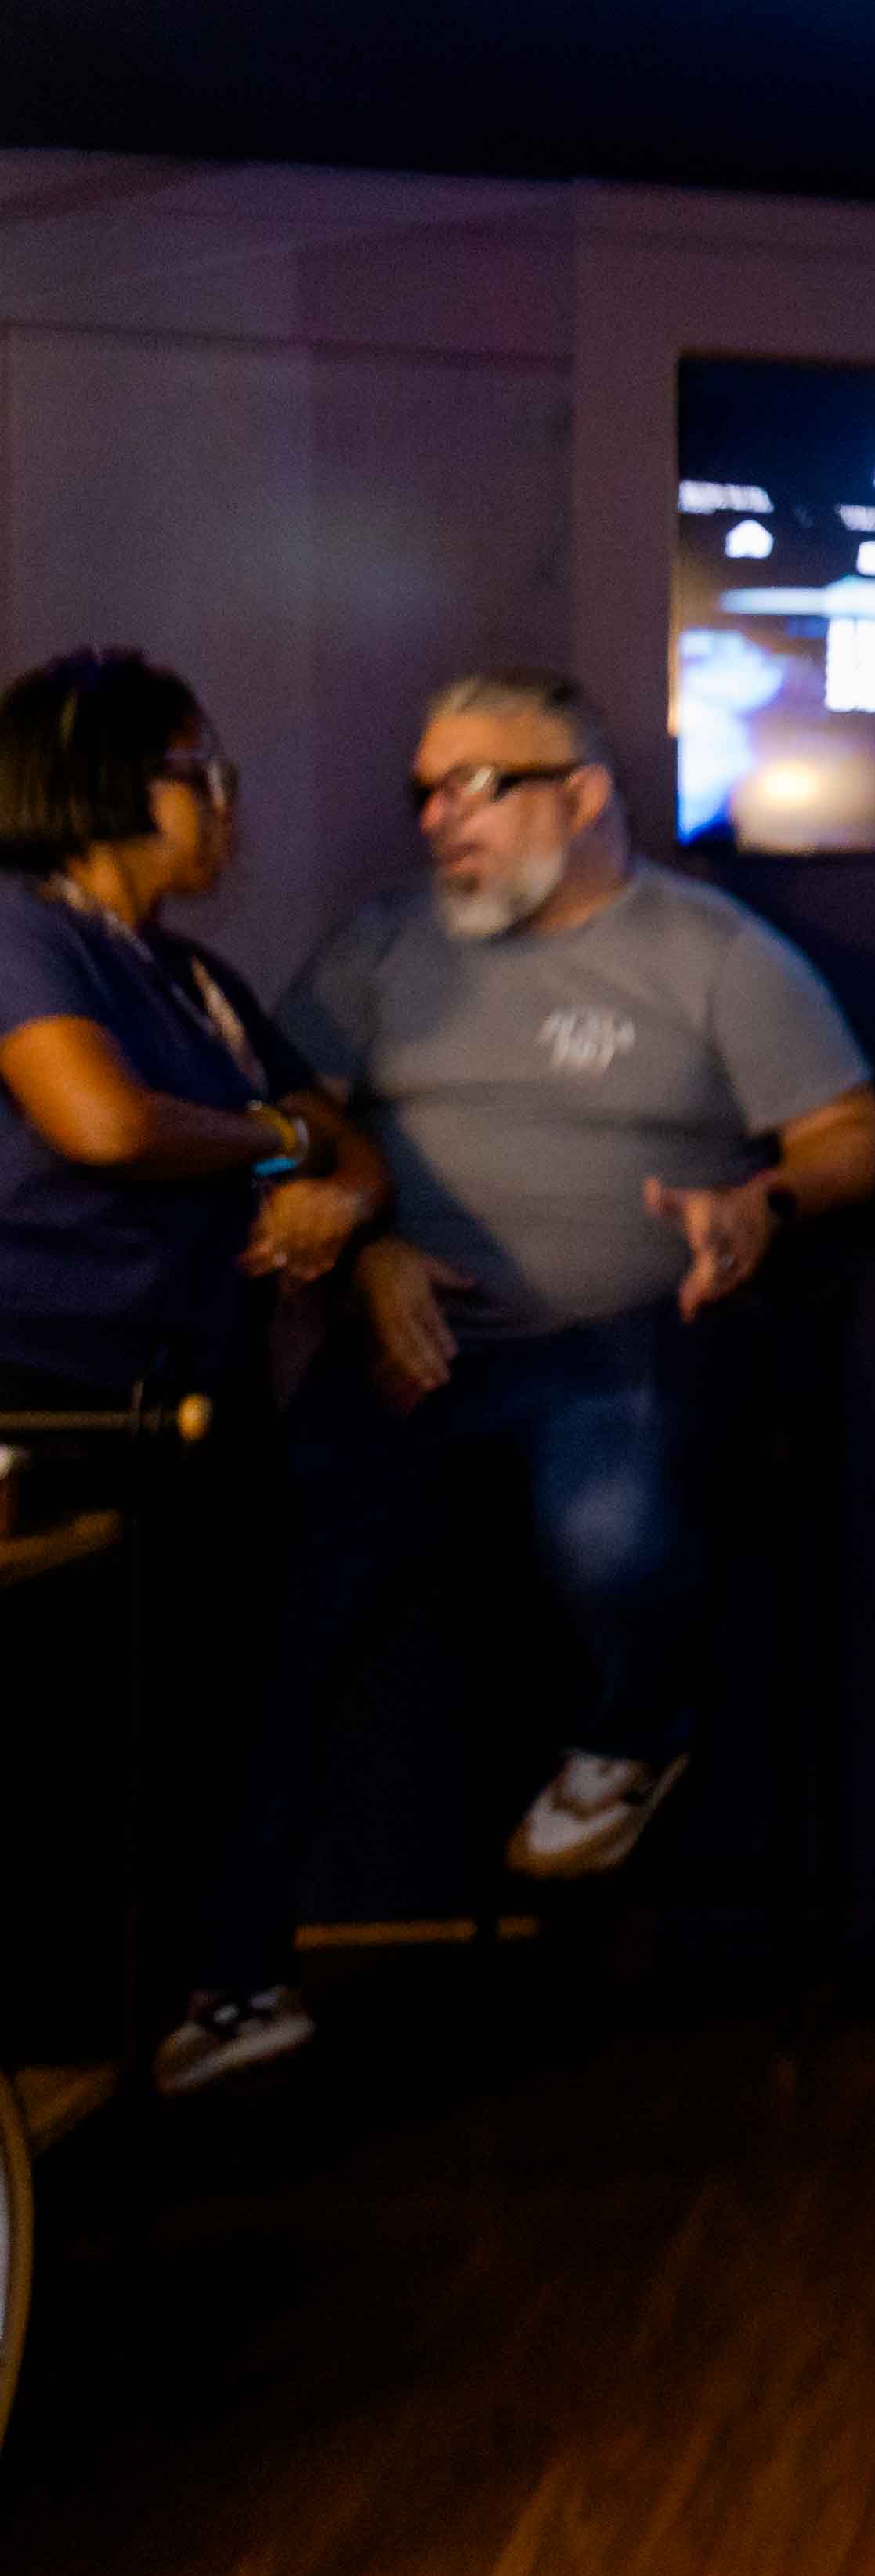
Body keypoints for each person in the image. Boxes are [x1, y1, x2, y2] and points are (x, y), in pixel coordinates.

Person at [165, 665, 875, 2077]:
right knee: (265, 1598)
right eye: (425, 792)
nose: (439, 818)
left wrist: (764, 1201)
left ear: (583, 795)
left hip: (623, 1338)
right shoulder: (385, 945)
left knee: (610, 1497)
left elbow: (853, 1135)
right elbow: (290, 1122)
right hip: (411, 1357)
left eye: (476, 787)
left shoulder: (709, 949)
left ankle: (629, 1736)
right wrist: (365, 1243)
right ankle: (236, 1983)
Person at [0, 650, 385, 2096]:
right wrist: (276, 1151)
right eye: (200, 774)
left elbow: (349, 1144)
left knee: (210, 1728)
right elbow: (101, 1124)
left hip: (200, 1405)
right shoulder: (21, 931)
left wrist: (336, 1199)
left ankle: (189, 2022)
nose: (229, 804)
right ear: (109, 783)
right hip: (55, 1405)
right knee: (64, 1756)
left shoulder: (198, 977)